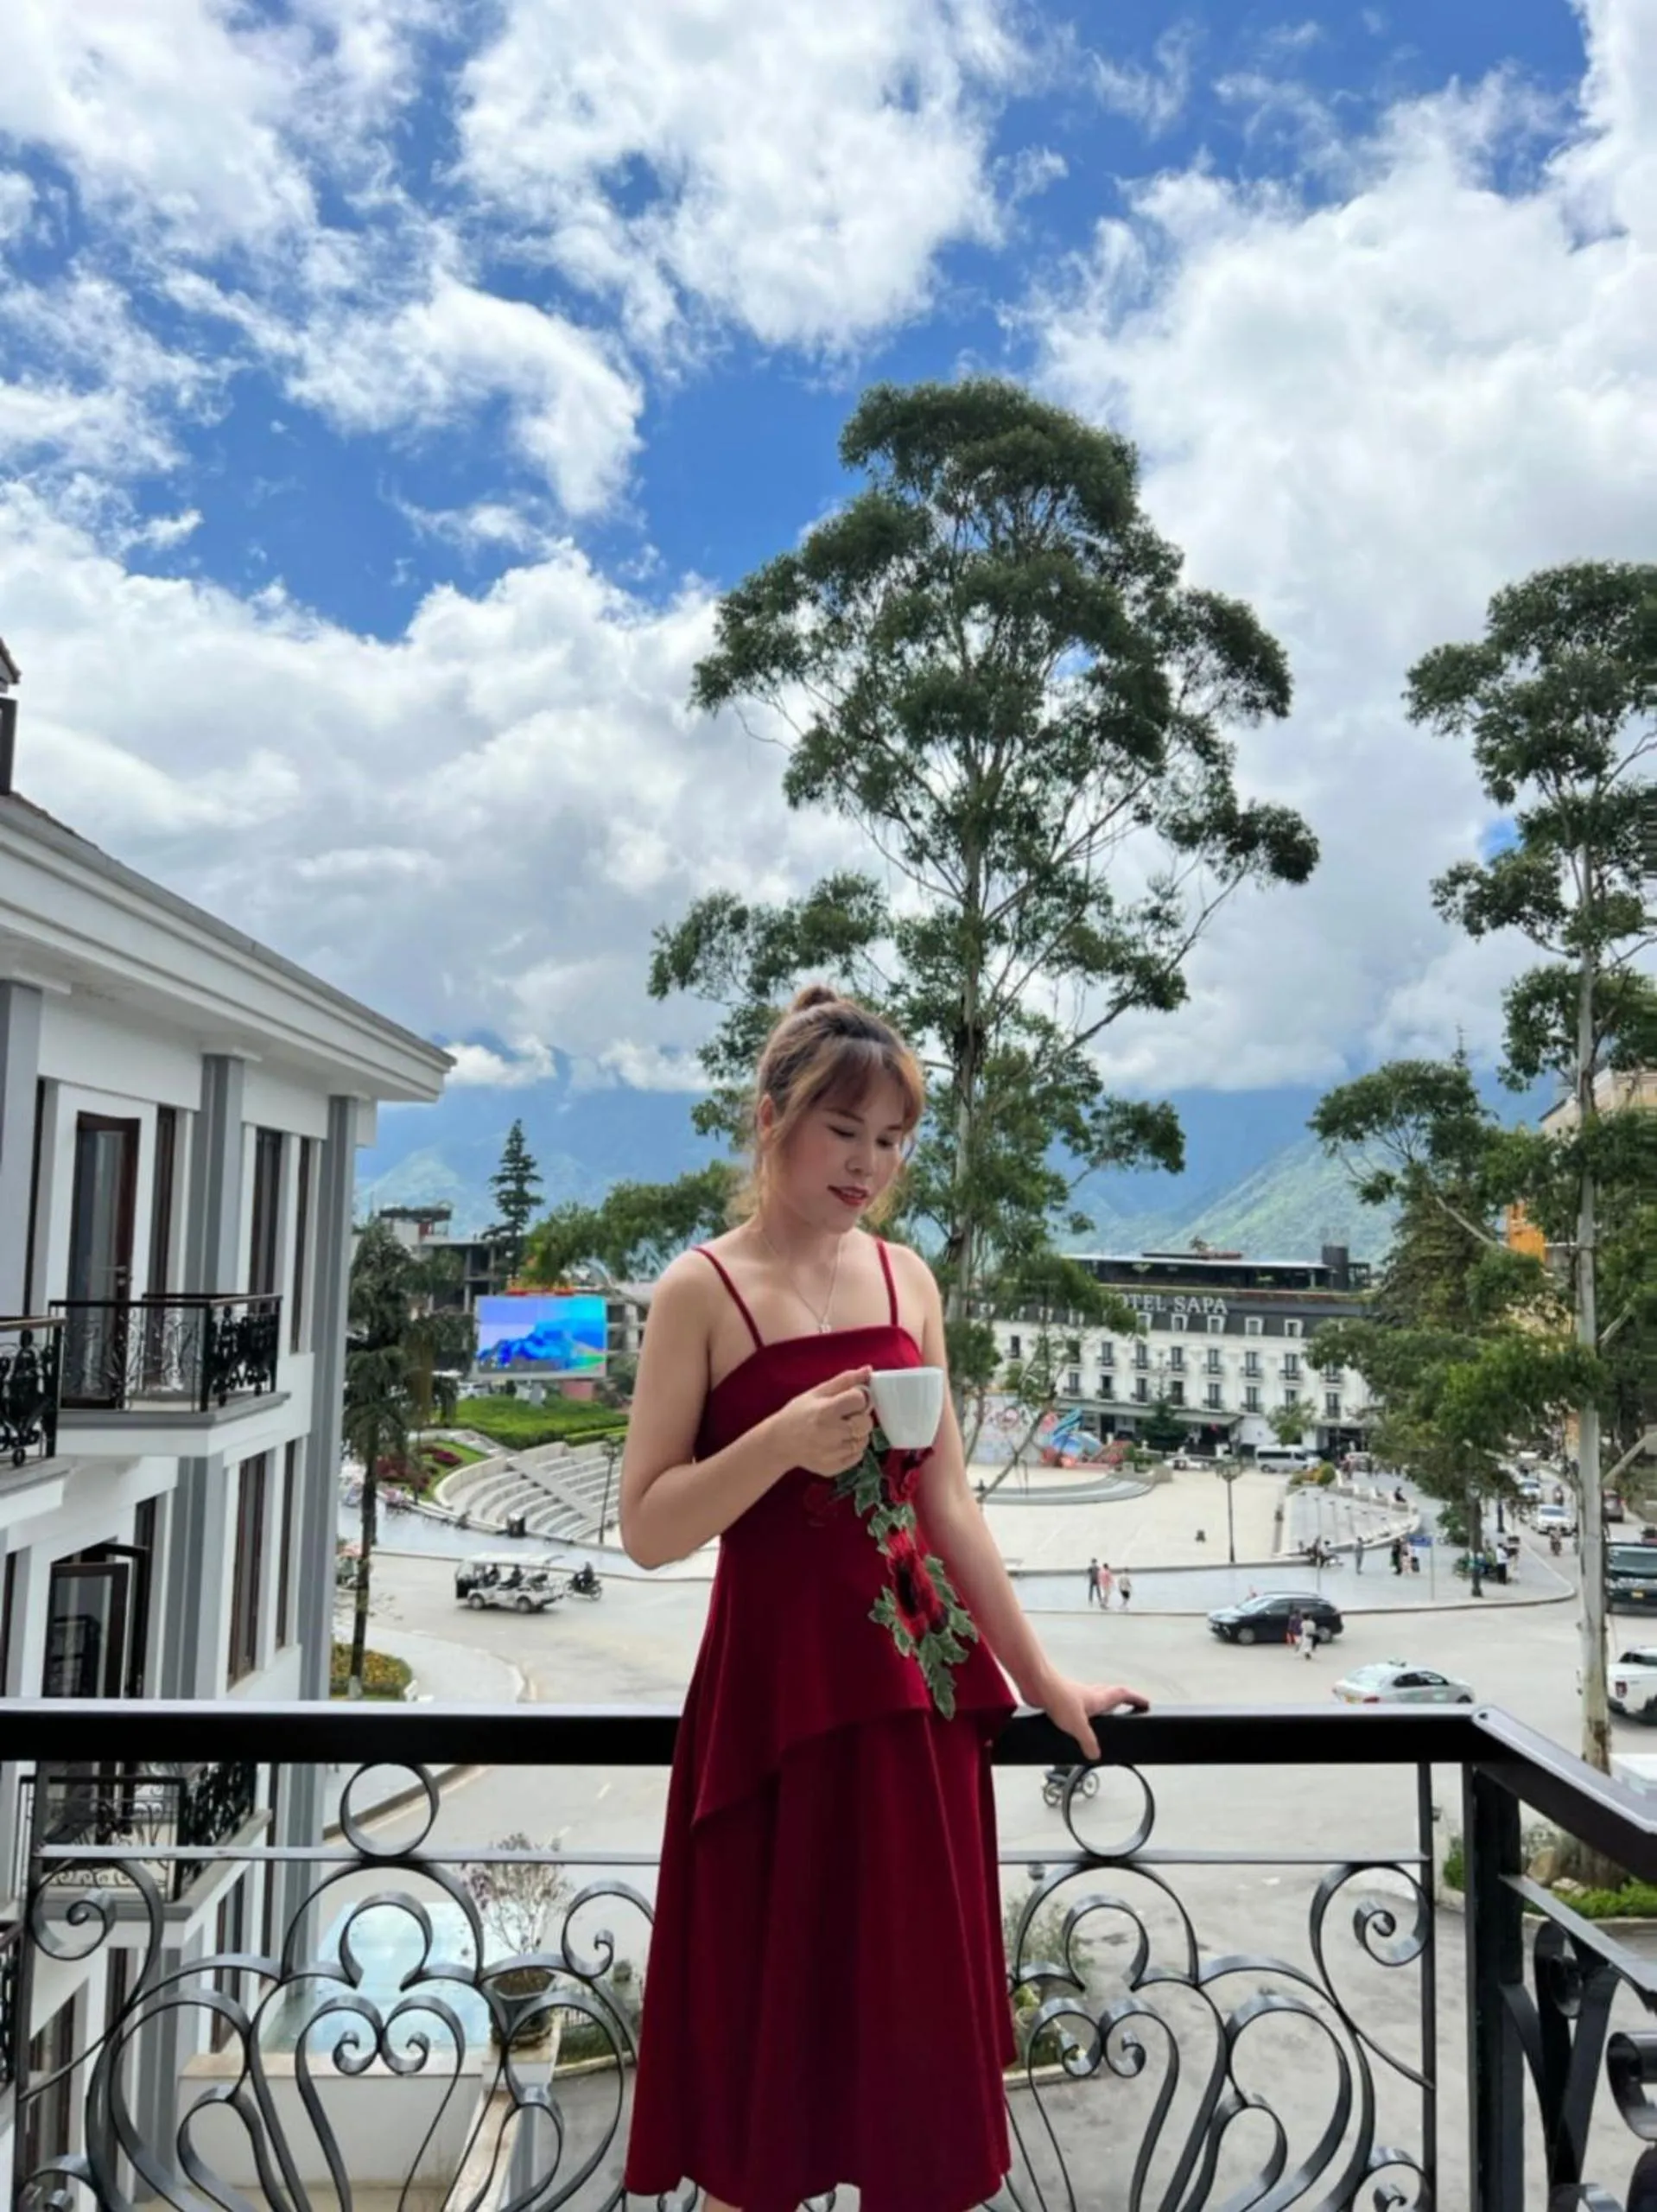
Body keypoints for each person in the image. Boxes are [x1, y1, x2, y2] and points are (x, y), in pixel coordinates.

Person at [619, 983, 1150, 2212]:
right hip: (774, 1702)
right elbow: (647, 1526)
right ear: (771, 1120)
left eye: (893, 1139)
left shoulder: (909, 1278)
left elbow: (950, 1503)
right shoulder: (702, 1288)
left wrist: (1041, 1681)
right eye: (843, 1130)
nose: (870, 1163)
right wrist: (779, 1446)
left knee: (906, 2029)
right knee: (776, 2037)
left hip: (913, 1697)